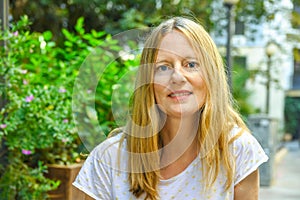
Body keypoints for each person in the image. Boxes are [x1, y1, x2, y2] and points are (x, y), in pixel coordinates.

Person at [73, 17, 268, 200]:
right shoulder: (108, 159)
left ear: (211, 75)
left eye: (190, 64)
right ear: (148, 82)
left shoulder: (238, 151)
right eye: (163, 67)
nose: (177, 77)